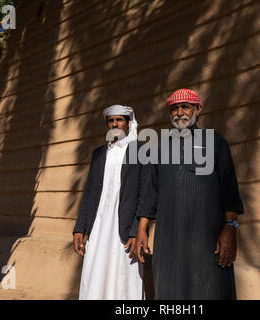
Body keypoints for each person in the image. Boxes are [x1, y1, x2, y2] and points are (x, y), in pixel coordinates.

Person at [135, 89, 244, 299]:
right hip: (169, 241)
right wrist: (142, 230)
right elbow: (150, 192)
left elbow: (230, 190)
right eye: (174, 108)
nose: (179, 112)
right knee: (169, 292)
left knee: (210, 289)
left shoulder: (215, 142)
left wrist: (231, 228)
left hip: (207, 240)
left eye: (185, 106)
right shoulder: (158, 149)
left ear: (198, 110)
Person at [73, 104, 144, 300]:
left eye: (119, 120)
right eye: (111, 121)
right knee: (94, 270)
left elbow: (144, 193)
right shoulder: (98, 154)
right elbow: (89, 193)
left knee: (124, 276)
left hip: (125, 227)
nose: (115, 124)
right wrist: (80, 228)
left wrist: (136, 229)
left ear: (128, 124)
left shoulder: (141, 150)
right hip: (98, 225)